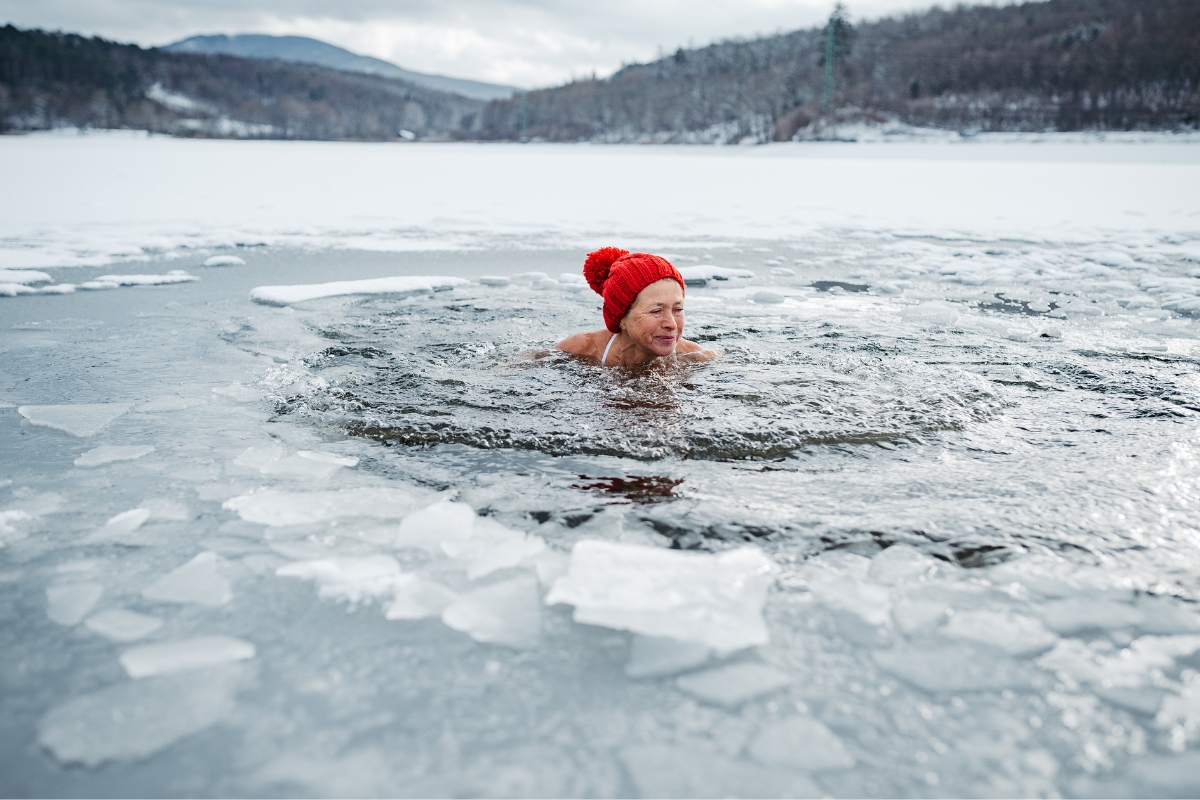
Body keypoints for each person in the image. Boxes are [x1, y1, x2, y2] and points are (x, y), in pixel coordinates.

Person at [556, 247, 718, 367]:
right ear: (621, 319)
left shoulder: (696, 358)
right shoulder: (581, 350)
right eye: (656, 311)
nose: (672, 324)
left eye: (678, 310)